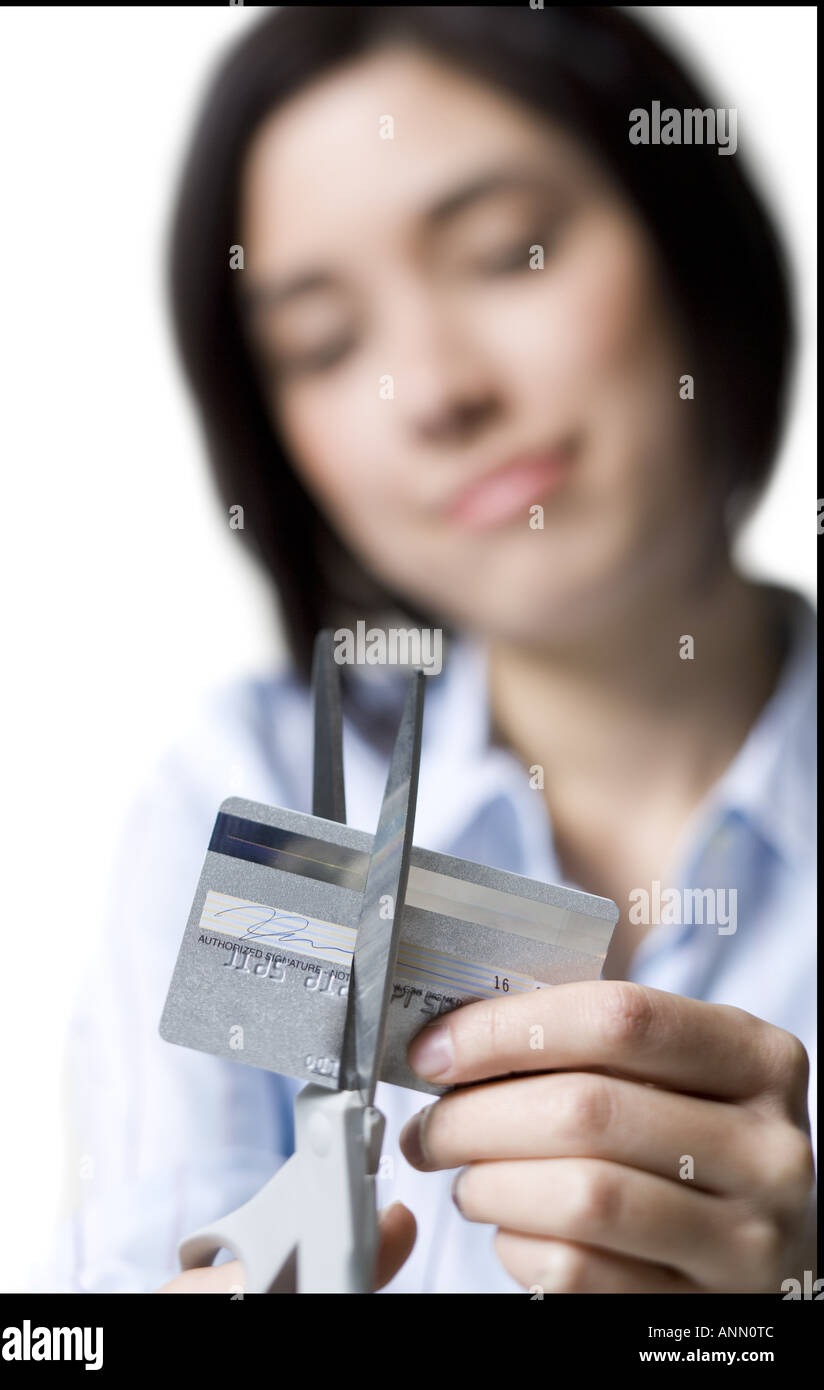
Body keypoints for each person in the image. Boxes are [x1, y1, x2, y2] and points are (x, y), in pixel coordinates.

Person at [42, 6, 816, 1294]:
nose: (437, 388)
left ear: (685, 237)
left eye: (510, 253)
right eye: (324, 344)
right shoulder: (242, 794)